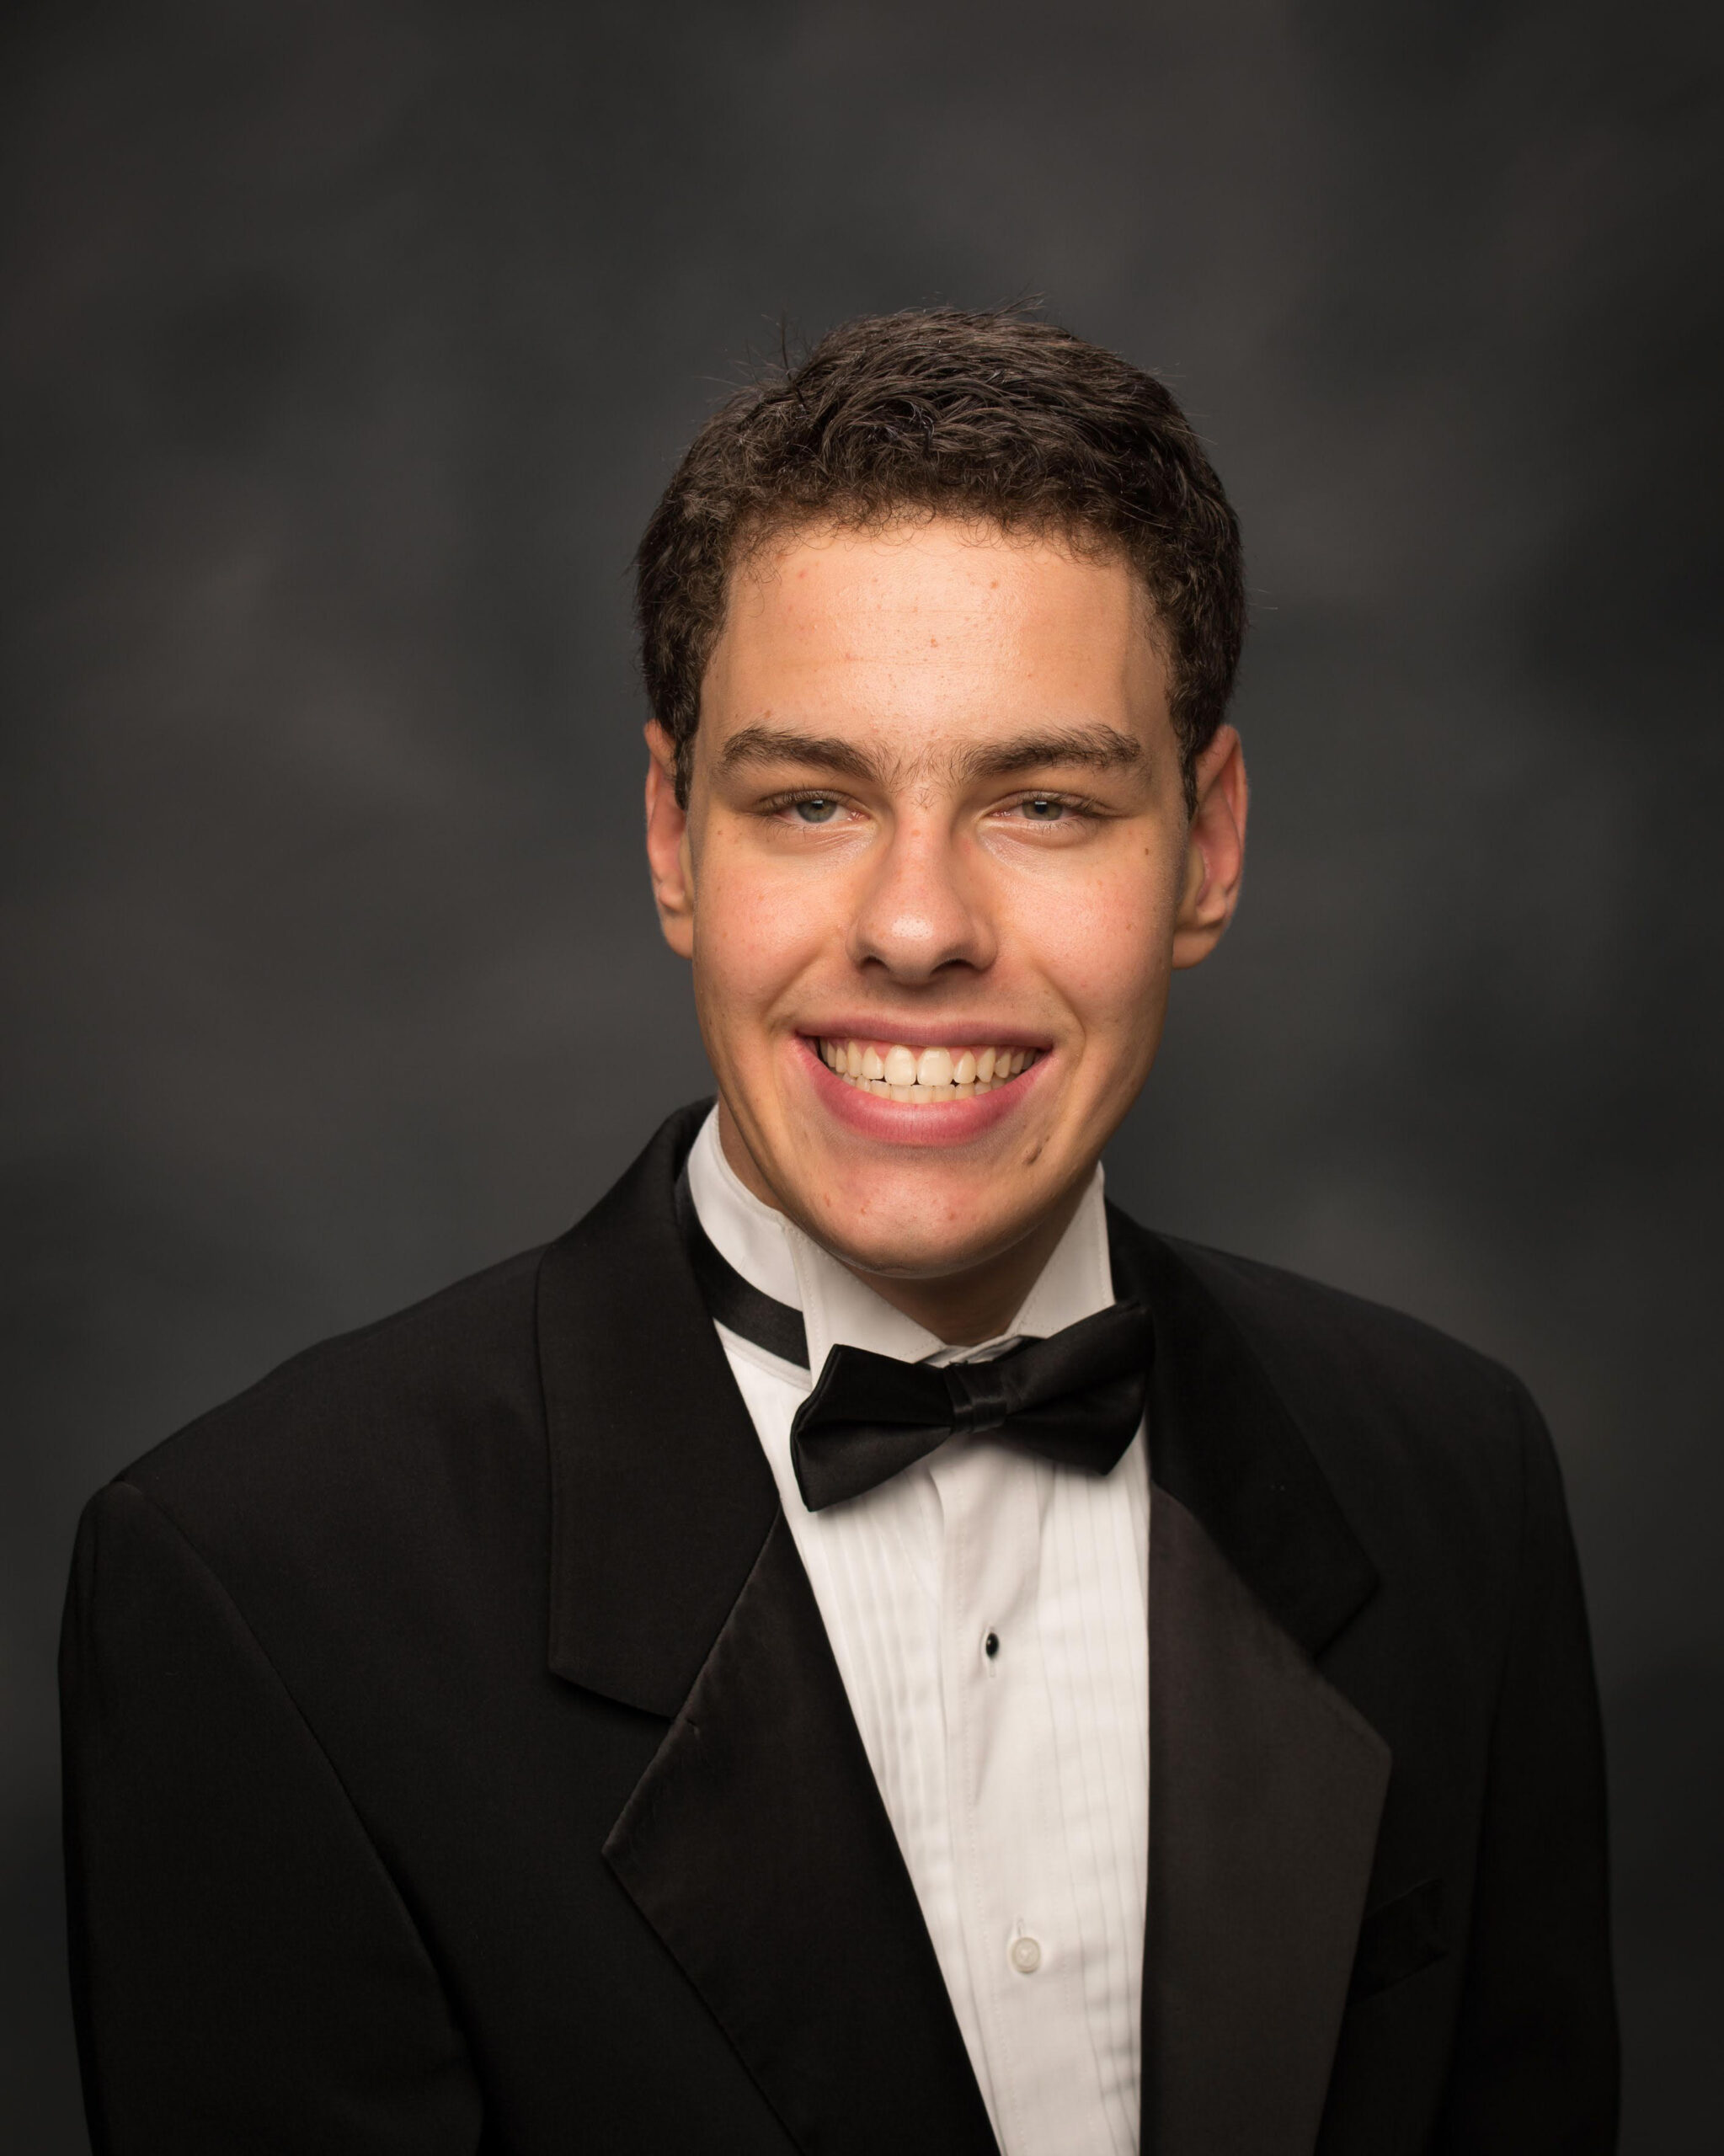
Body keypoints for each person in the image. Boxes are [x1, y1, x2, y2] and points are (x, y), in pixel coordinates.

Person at [60, 308, 1617, 2156]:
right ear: (670, 836)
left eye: (1043, 800)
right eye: (810, 801)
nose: (914, 925)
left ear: (1204, 845)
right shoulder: (262, 1592)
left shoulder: (1455, 1478)